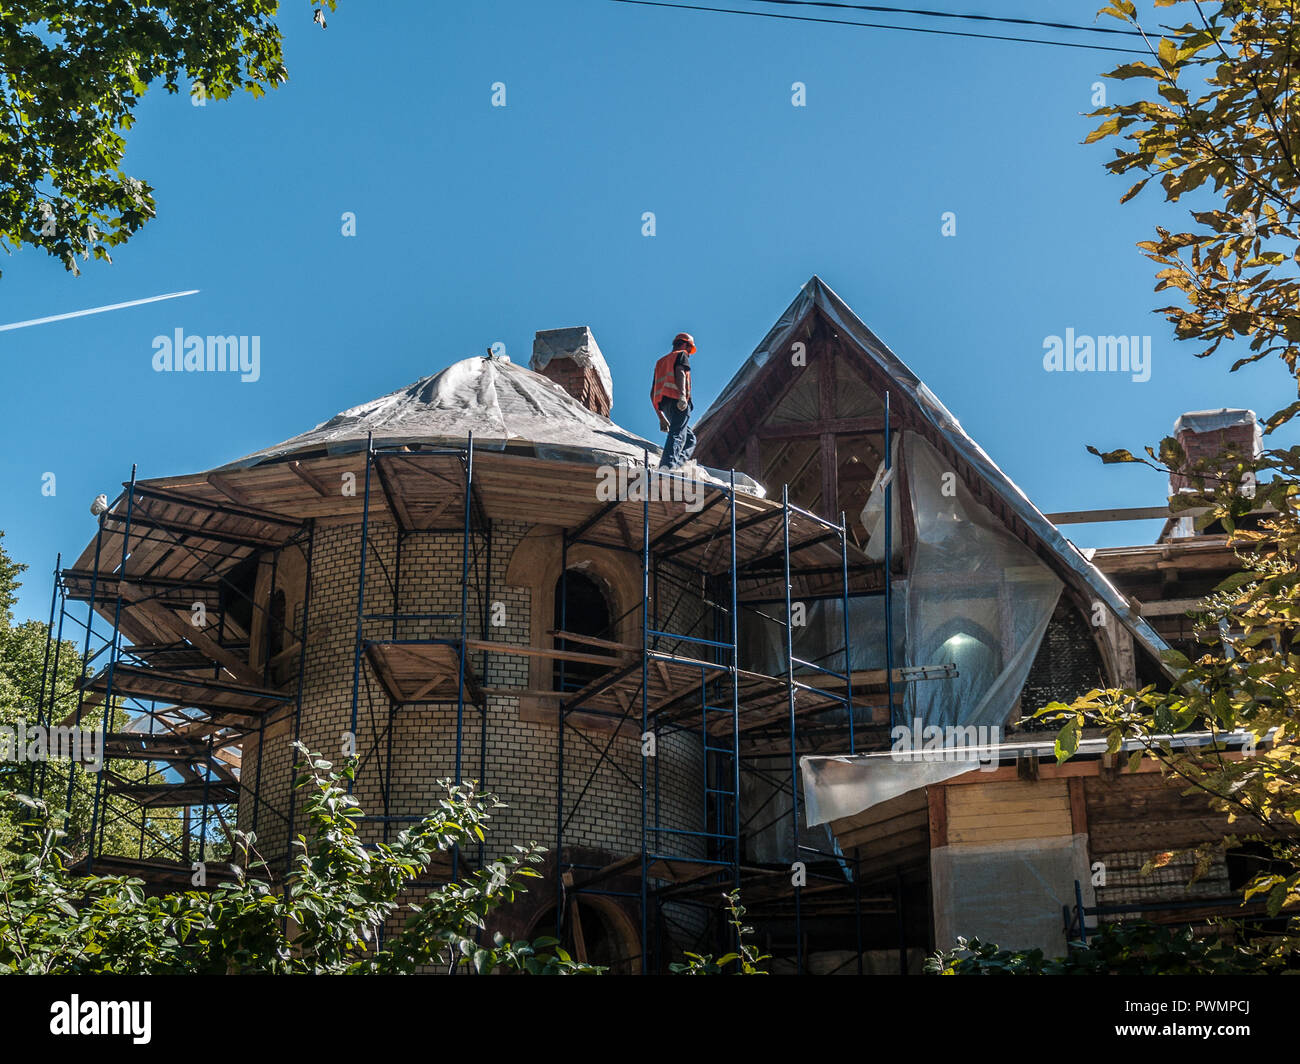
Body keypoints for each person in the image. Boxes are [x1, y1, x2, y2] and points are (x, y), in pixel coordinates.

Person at [650, 332, 697, 469]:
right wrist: (682, 396)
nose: (688, 352)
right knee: (677, 435)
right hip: (679, 403)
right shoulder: (681, 354)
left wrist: (661, 417)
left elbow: (652, 392)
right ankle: (668, 467)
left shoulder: (661, 363)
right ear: (684, 344)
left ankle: (675, 466)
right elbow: (680, 372)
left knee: (690, 439)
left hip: (666, 406)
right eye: (689, 348)